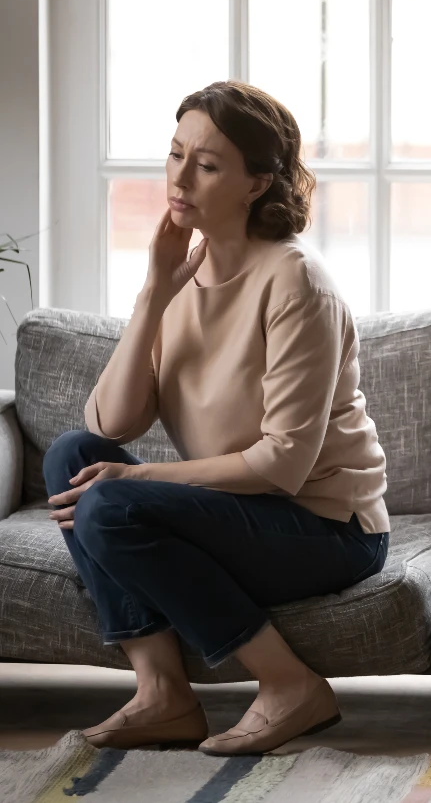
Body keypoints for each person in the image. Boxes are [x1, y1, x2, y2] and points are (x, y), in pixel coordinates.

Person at [42, 80, 390, 756]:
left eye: (207, 165)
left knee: (109, 505)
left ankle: (291, 687)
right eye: (176, 155)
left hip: (324, 527)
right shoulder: (183, 273)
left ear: (258, 183)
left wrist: (143, 485)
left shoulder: (296, 283)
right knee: (72, 456)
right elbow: (111, 422)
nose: (181, 178)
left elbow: (283, 465)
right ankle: (162, 694)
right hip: (240, 510)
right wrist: (154, 290)